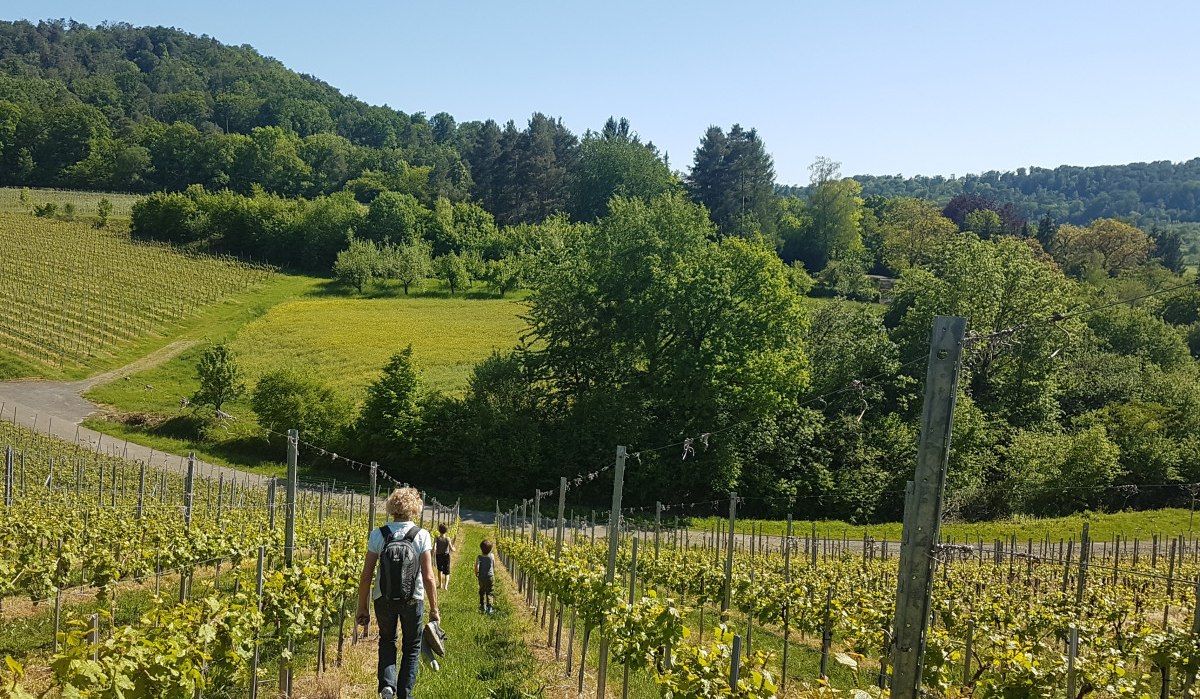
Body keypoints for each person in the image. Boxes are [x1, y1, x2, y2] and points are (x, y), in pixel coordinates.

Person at [356, 487, 441, 699]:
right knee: (412, 647)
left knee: (387, 641)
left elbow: (366, 576)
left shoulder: (378, 534)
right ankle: (405, 693)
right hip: (413, 598)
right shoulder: (421, 535)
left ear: (392, 507)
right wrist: (434, 609)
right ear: (415, 509)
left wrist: (362, 607)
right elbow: (429, 577)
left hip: (382, 598)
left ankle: (387, 685)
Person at [475, 539, 496, 614]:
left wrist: (477, 573)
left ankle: (482, 605)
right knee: (490, 591)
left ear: (481, 549)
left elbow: (477, 566)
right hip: (490, 576)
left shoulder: (479, 557)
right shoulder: (492, 556)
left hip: (481, 577)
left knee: (482, 590)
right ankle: (490, 607)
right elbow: (493, 565)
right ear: (490, 549)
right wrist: (493, 571)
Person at [434, 523, 455, 590]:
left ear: (438, 530)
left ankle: (440, 584)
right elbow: (451, 549)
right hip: (446, 556)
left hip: (438, 556)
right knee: (447, 571)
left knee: (439, 570)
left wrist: (432, 553)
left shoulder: (436, 538)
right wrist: (454, 549)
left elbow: (434, 548)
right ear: (447, 531)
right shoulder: (447, 539)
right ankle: (446, 586)